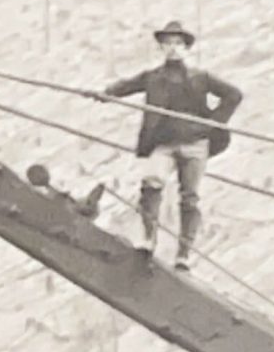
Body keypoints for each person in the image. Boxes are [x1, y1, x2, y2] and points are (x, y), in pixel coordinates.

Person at [90, 21, 244, 271]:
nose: (173, 48)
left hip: (196, 144)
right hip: (164, 144)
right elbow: (125, 86)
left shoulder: (200, 78)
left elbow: (234, 95)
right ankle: (148, 239)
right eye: (168, 43)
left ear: (186, 48)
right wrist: (104, 94)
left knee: (189, 198)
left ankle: (184, 254)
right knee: (151, 182)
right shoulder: (153, 78)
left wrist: (212, 124)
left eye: (178, 44)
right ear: (161, 47)